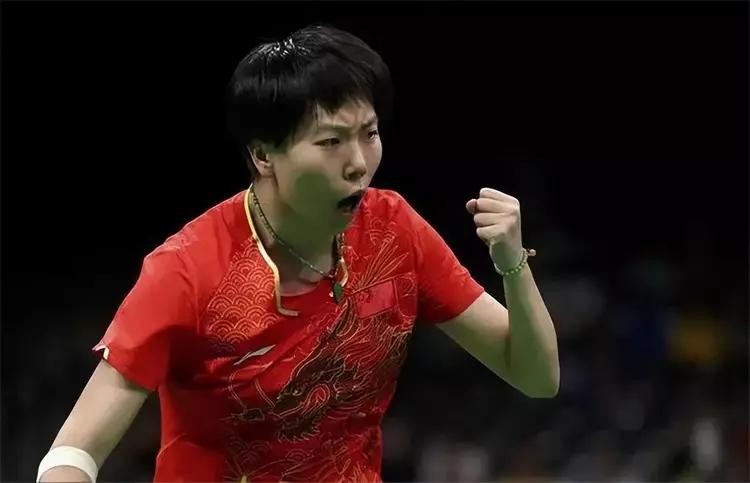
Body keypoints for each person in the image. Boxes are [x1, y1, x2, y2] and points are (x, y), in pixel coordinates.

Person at [37, 24, 560, 483]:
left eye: (369, 134)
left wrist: (511, 265)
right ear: (263, 155)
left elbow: (536, 377)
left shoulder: (394, 230)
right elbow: (73, 452)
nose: (358, 163)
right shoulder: (186, 270)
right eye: (331, 142)